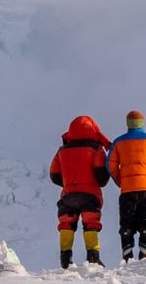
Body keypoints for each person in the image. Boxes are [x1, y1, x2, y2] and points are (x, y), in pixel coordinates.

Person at [47, 114, 111, 268]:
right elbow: (102, 178)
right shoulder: (96, 149)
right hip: (90, 196)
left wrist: (69, 184)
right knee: (91, 224)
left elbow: (54, 175)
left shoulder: (62, 150)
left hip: (68, 195)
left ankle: (65, 258)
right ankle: (93, 257)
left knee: (67, 224)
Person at [108, 109, 146, 261]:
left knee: (127, 225)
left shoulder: (118, 142)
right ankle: (145, 253)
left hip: (128, 190)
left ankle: (127, 255)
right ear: (142, 123)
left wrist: (121, 181)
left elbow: (110, 166)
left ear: (128, 124)